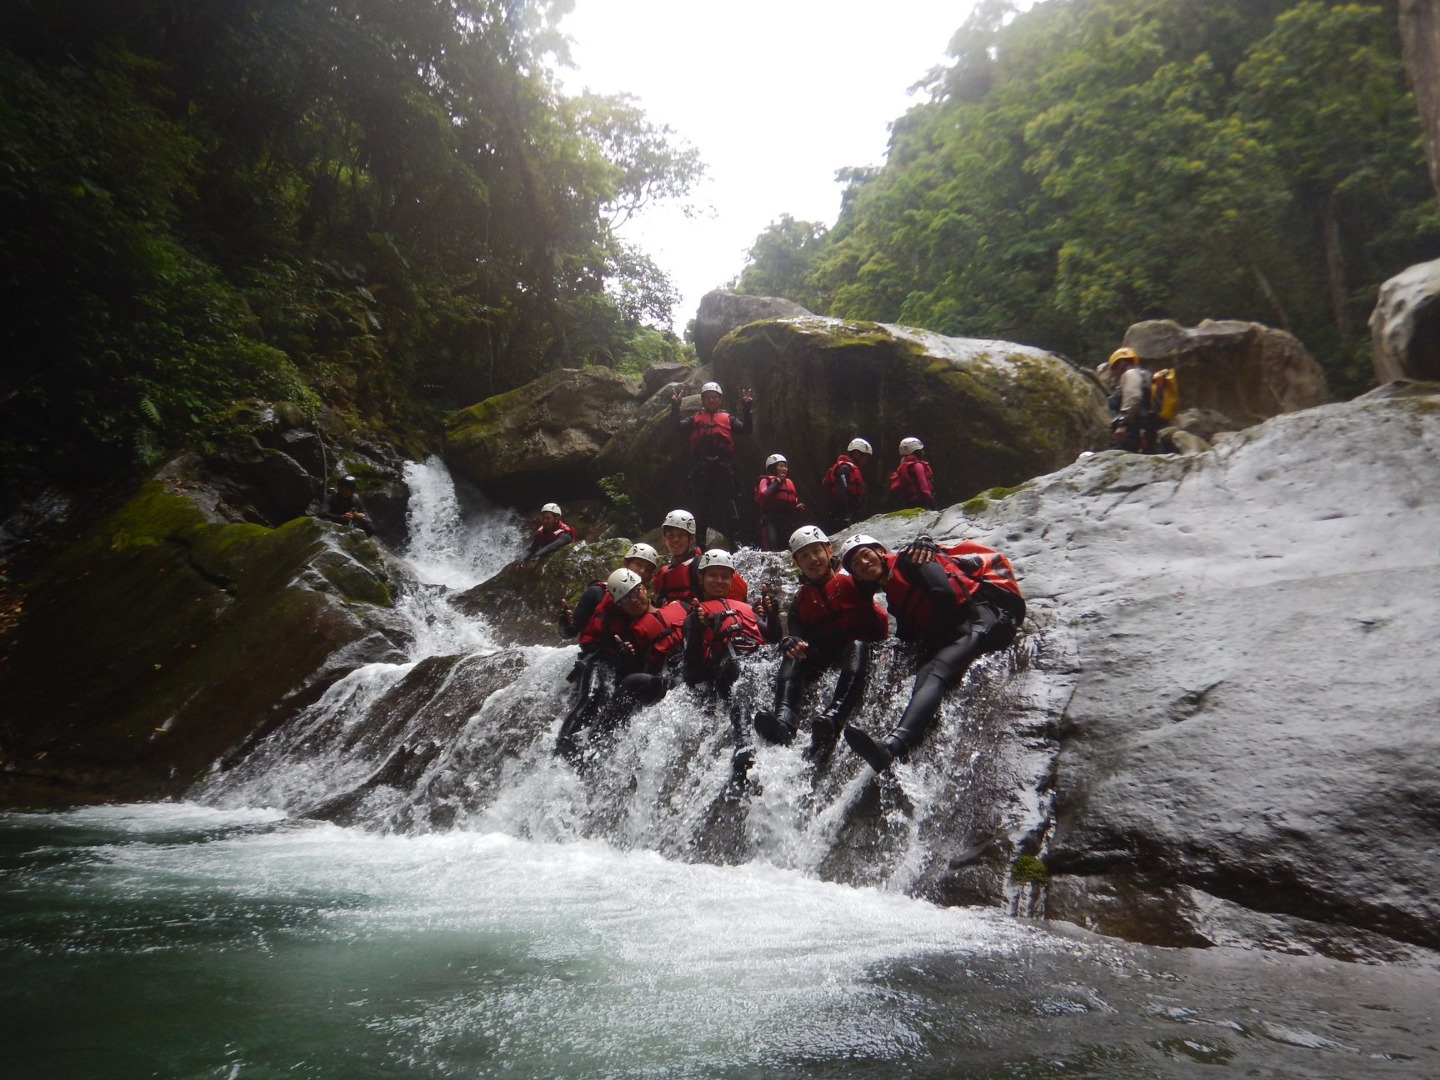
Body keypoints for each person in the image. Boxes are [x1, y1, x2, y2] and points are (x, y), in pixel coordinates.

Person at [837, 532, 1025, 773]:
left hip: (986, 616)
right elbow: (907, 633)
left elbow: (944, 593)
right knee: (926, 673)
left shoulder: (911, 558)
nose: (863, 563)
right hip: (961, 628)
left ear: (880, 553)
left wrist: (933, 643)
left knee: (937, 668)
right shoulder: (893, 593)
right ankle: (903, 745)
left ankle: (891, 747)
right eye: (855, 564)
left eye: (865, 555)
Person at [752, 525, 889, 760]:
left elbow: (889, 574)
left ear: (828, 549)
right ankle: (784, 721)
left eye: (816, 551)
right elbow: (795, 634)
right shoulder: (800, 600)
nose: (812, 559)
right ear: (796, 562)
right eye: (804, 555)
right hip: (829, 657)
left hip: (869, 651)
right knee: (793, 653)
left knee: (856, 645)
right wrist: (789, 642)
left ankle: (834, 717)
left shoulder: (855, 577)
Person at [682, 548, 782, 776]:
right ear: (701, 578)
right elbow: (691, 669)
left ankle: (781, 723)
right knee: (740, 672)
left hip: (759, 661)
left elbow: (773, 637)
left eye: (725, 576)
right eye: (713, 575)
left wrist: (773, 615)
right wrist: (698, 629)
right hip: (727, 669)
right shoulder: (695, 615)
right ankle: (743, 742)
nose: (719, 580)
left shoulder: (745, 608)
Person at [555, 567, 648, 761]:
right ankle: (563, 745)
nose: (633, 600)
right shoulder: (596, 594)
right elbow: (569, 632)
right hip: (596, 659)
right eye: (626, 598)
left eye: (636, 591)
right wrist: (563, 622)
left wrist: (628, 656)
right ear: (617, 601)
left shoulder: (649, 612)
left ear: (644, 588)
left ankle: (596, 752)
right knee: (591, 696)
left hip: (621, 666)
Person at [670, 381, 753, 547]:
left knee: (729, 507)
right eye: (708, 397)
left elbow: (746, 430)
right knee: (701, 509)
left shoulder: (728, 418)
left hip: (723, 469)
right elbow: (676, 427)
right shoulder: (695, 419)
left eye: (714, 397)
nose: (711, 400)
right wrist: (675, 407)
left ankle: (736, 543)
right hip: (702, 469)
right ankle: (700, 544)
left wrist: (746, 408)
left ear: (720, 399)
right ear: (703, 399)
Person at [651, 509, 747, 606]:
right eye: (670, 535)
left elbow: (738, 590)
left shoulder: (705, 565)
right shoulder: (663, 574)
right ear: (664, 539)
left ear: (691, 538)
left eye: (681, 535)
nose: (675, 540)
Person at [1107, 351, 1158, 453]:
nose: (1114, 374)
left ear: (1120, 365)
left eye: (1114, 369)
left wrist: (1122, 424)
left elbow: (1133, 397)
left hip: (1133, 430)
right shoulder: (1145, 376)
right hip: (1144, 429)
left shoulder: (1130, 374)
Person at [753, 453, 804, 552]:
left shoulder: (788, 482)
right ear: (772, 468)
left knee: (789, 547)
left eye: (785, 466)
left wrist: (797, 506)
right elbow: (763, 494)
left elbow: (793, 501)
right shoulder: (764, 480)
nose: (784, 469)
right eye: (781, 466)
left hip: (786, 519)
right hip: (770, 519)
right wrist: (777, 482)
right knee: (773, 548)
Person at [822, 438, 872, 532]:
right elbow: (842, 493)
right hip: (840, 518)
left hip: (851, 516)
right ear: (856, 454)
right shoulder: (844, 469)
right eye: (865, 457)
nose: (866, 461)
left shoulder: (852, 470)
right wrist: (846, 516)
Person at [889, 437, 937, 511]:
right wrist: (929, 499)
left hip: (908, 502)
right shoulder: (917, 465)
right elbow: (923, 484)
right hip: (921, 501)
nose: (923, 452)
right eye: (921, 450)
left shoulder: (902, 466)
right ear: (915, 451)